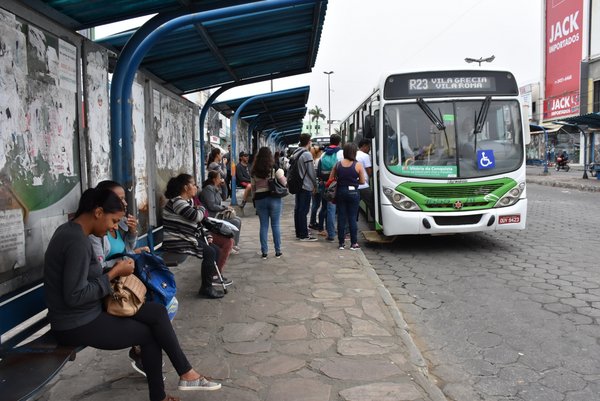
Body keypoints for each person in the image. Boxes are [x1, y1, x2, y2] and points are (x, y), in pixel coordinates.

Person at [44, 188, 221, 401]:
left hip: (87, 311)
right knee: (148, 335)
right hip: (76, 322)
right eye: (113, 220)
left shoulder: (72, 232)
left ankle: (186, 374)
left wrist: (112, 272)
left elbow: (84, 279)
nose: (113, 227)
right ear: (98, 212)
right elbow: (75, 296)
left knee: (156, 312)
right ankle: (165, 392)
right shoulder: (78, 241)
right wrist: (113, 274)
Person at [88, 180, 151, 377]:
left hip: (120, 279)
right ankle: (142, 350)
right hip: (109, 287)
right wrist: (123, 261)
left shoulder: (118, 223)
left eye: (124, 198)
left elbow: (126, 251)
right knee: (149, 306)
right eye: (119, 199)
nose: (124, 203)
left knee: (154, 296)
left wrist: (132, 233)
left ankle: (146, 349)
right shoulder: (97, 230)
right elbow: (98, 267)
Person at [162, 174, 227, 299]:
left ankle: (210, 280)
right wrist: (202, 208)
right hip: (177, 240)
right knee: (209, 252)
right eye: (193, 184)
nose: (196, 187)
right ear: (186, 187)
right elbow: (197, 216)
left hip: (187, 236)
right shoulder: (177, 202)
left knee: (216, 250)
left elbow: (198, 222)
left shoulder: (188, 202)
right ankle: (206, 288)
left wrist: (207, 235)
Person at [251, 147, 287, 259]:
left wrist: (254, 200)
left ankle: (264, 252)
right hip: (274, 198)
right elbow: (284, 182)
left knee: (264, 226)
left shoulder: (254, 170)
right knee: (275, 225)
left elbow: (253, 188)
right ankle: (278, 251)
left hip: (260, 199)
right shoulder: (274, 168)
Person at [328, 142, 366, 250]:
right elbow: (362, 181)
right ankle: (354, 243)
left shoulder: (338, 164)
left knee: (341, 217)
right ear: (354, 153)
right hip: (353, 193)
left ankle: (341, 243)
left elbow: (331, 179)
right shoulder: (357, 165)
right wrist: (354, 181)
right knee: (352, 218)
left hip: (341, 191)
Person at [200, 170, 242, 251]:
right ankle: (231, 245)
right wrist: (224, 208)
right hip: (211, 217)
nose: (221, 179)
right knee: (235, 222)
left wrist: (224, 186)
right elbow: (211, 206)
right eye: (219, 178)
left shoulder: (215, 188)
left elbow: (224, 197)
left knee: (238, 219)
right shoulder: (208, 189)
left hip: (217, 214)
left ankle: (234, 244)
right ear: (214, 179)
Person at [290, 133, 318, 241]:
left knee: (298, 209)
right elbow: (311, 171)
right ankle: (304, 234)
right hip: (305, 185)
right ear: (309, 141)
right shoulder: (307, 154)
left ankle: (299, 232)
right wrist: (315, 184)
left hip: (297, 184)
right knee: (304, 210)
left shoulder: (296, 152)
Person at [316, 134, 344, 241]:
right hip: (335, 185)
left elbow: (318, 171)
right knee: (332, 209)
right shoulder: (340, 153)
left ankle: (323, 228)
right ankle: (332, 234)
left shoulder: (323, 154)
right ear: (339, 142)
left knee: (325, 207)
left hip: (324, 184)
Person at [355, 139, 374, 218]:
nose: (369, 149)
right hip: (364, 186)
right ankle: (375, 219)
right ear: (364, 146)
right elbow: (369, 172)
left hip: (354, 185)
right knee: (372, 204)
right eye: (369, 147)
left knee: (354, 206)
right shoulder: (365, 156)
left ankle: (353, 225)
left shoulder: (354, 154)